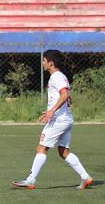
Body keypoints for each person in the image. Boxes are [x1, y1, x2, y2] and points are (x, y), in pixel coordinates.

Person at [13, 49, 94, 190]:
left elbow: (64, 94)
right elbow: (67, 95)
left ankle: (31, 180)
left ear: (50, 63)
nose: (42, 63)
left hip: (58, 120)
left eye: (44, 60)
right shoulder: (61, 76)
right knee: (63, 151)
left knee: (42, 148)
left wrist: (52, 110)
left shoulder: (56, 76)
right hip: (67, 119)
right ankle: (85, 177)